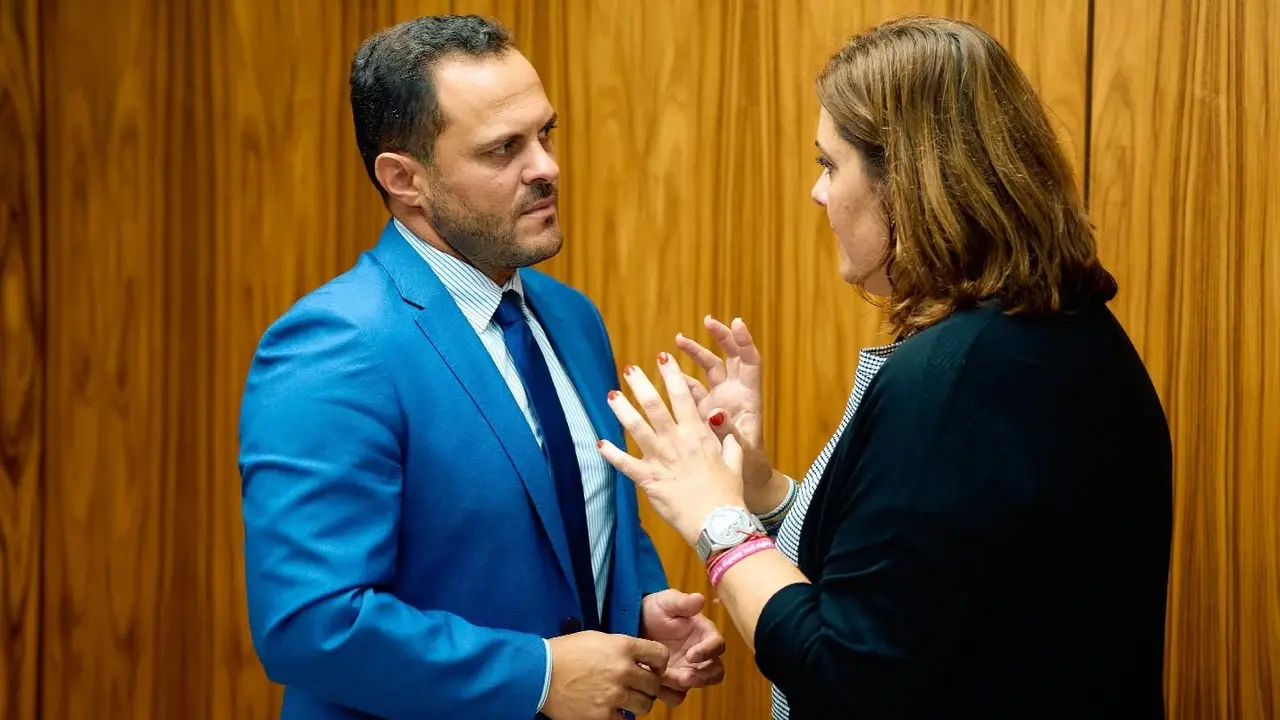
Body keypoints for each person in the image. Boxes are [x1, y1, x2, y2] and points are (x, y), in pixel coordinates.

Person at [596, 16, 1172, 720]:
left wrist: (714, 518)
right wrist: (754, 485)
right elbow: (906, 580)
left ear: (909, 182)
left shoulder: (961, 376)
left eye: (830, 165)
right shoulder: (1051, 331)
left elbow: (844, 670)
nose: (819, 194)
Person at [237, 15, 725, 720]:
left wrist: (639, 615)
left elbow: (577, 518)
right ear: (405, 180)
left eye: (545, 134)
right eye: (504, 149)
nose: (547, 167)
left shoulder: (571, 318)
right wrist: (537, 674)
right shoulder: (333, 346)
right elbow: (310, 625)